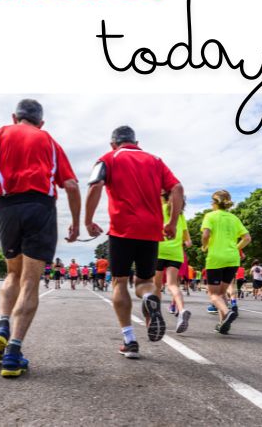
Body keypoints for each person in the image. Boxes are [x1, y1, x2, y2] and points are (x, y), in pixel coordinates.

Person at [0, 99, 81, 377]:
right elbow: (70, 184)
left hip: (7, 207)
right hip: (40, 207)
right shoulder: (50, 141)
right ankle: (13, 352)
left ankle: (3, 324)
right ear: (41, 122)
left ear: (14, 116)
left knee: (13, 273)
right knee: (30, 280)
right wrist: (76, 224)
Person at [85, 125, 183, 358]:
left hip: (122, 230)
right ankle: (150, 297)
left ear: (113, 143)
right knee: (145, 281)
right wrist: (172, 222)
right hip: (150, 231)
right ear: (136, 142)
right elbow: (177, 188)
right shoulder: (155, 160)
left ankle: (129, 340)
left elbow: (95, 185)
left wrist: (88, 220)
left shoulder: (108, 158)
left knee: (119, 282)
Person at [201, 190, 251, 334]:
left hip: (216, 258)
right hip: (232, 259)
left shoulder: (210, 216)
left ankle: (226, 312)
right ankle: (223, 324)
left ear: (215, 203)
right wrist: (235, 248)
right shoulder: (234, 218)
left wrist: (205, 246)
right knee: (222, 293)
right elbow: (247, 238)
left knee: (214, 295)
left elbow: (206, 234)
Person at [154, 192, 192, 333]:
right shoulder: (180, 215)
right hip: (176, 254)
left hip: (158, 251)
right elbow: (188, 241)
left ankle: (156, 315)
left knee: (157, 287)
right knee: (172, 285)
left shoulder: (157, 209)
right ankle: (181, 310)